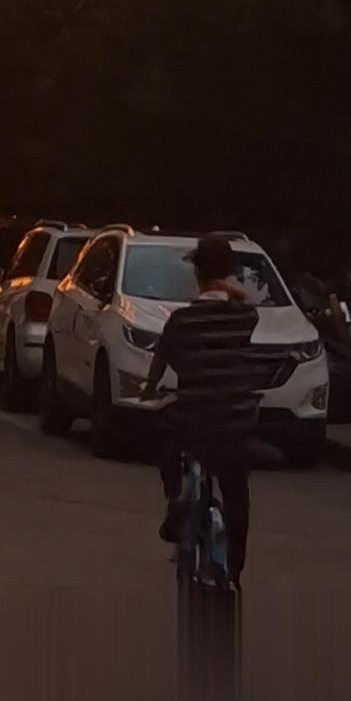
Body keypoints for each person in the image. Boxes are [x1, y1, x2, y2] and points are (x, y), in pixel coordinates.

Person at [147, 234, 264, 590]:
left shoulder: (181, 321)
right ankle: (236, 569)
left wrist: (150, 388)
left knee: (166, 433)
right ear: (229, 274)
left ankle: (177, 499)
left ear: (196, 274)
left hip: (195, 420)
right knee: (236, 492)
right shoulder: (244, 317)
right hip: (236, 422)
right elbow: (248, 314)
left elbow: (162, 361)